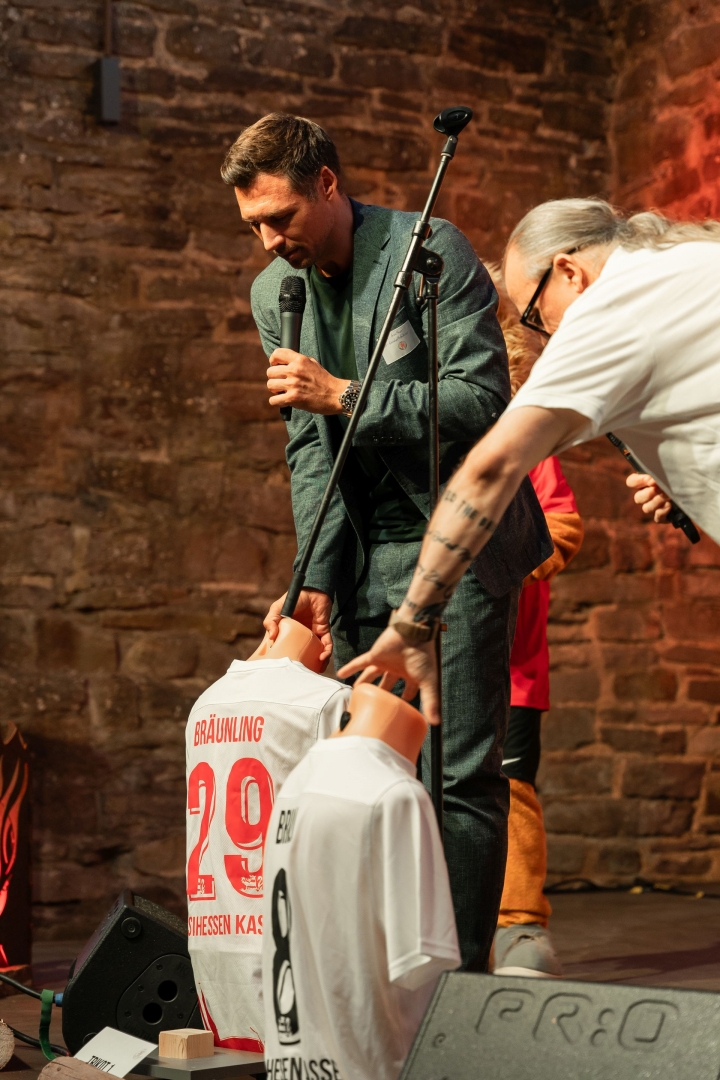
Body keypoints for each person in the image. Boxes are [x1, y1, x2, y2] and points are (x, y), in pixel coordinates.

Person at [222, 112, 551, 972]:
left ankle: (461, 986)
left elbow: (482, 404)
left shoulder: (429, 251)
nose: (269, 242)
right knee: (373, 770)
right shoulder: (275, 294)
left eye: (280, 218)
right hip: (365, 556)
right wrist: (314, 577)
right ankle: (387, 978)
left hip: (457, 543)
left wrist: (343, 393)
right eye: (254, 225)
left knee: (458, 775)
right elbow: (309, 449)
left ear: (328, 185)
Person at [338, 197, 720, 723]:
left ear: (569, 272)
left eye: (536, 316)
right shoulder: (691, 261)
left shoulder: (611, 308)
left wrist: (412, 624)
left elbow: (491, 470)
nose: (544, 337)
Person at [485, 267, 584, 979]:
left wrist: (513, 560)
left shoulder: (523, 436)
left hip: (512, 667)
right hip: (431, 659)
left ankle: (518, 924)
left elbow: (564, 524)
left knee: (510, 791)